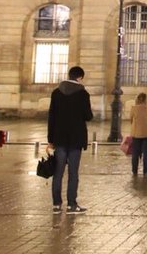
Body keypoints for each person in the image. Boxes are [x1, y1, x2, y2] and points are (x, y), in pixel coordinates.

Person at [47, 65, 93, 213]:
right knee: (73, 173)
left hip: (59, 138)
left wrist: (50, 139)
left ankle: (56, 204)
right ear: (80, 77)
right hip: (76, 138)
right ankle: (71, 204)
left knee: (58, 172)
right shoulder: (83, 94)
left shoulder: (56, 93)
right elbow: (88, 116)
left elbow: (51, 117)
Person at [129, 92, 147, 175]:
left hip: (136, 134)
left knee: (135, 153)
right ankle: (146, 171)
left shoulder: (133, 108)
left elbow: (131, 120)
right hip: (146, 134)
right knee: (146, 154)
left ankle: (134, 171)